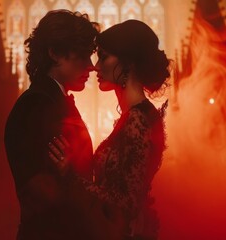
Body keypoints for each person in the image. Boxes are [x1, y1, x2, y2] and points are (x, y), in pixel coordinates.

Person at [49, 19, 170, 239]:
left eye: (104, 57)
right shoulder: (132, 117)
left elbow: (127, 203)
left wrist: (71, 175)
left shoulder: (139, 120)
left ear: (128, 64)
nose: (95, 66)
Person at [4, 10, 99, 239]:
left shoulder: (52, 101)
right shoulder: (36, 105)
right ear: (55, 53)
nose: (92, 66)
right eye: (83, 56)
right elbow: (41, 195)